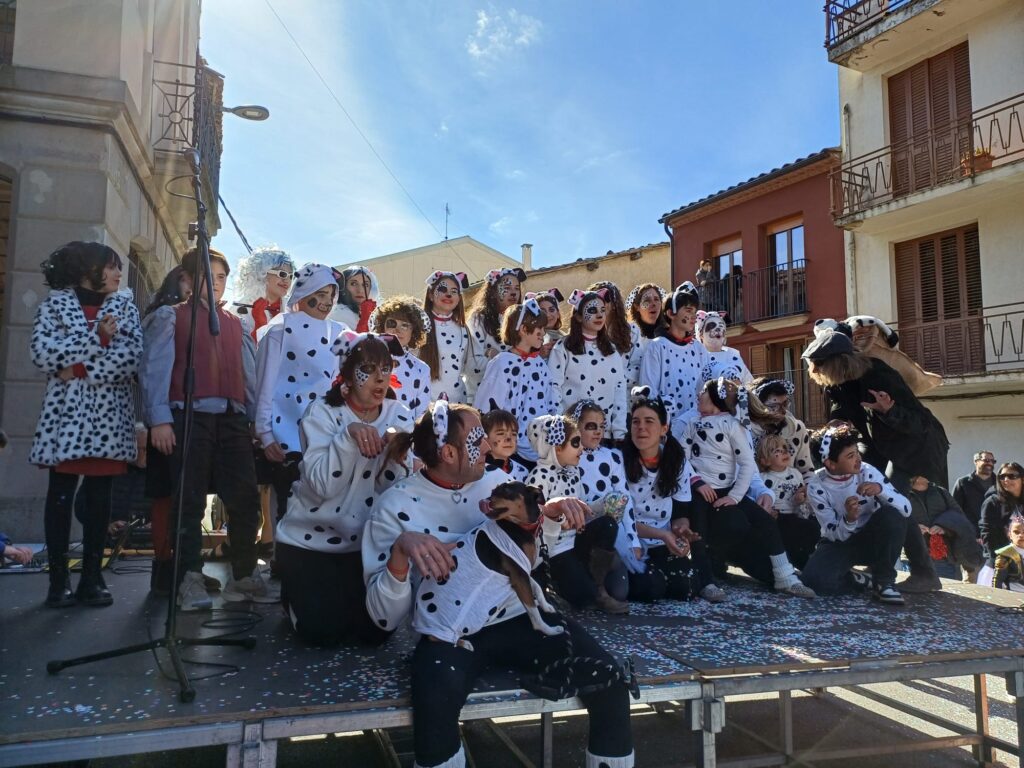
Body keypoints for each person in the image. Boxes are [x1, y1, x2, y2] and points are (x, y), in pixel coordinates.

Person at [363, 402, 634, 768]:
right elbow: (384, 618)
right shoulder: (394, 506)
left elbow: (528, 560)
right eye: (478, 439)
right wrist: (400, 554)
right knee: (434, 705)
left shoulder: (496, 484)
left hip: (518, 619)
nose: (488, 446)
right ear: (448, 452)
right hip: (450, 635)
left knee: (610, 680)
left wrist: (547, 518)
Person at [141, 247, 272, 611]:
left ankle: (244, 573)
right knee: (189, 499)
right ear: (187, 279)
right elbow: (155, 368)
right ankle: (188, 578)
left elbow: (248, 374)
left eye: (221, 277)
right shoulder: (172, 317)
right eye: (207, 276)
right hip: (189, 416)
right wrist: (159, 419)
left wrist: (253, 419)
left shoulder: (235, 323)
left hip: (231, 419)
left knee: (244, 498)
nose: (215, 283)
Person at [275, 331, 414, 646]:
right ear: (348, 375)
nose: (380, 378)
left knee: (375, 632)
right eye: (368, 369)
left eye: (386, 368)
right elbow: (323, 486)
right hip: (310, 541)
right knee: (321, 633)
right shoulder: (322, 413)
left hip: (365, 543)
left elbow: (397, 491)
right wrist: (348, 437)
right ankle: (292, 593)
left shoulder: (399, 414)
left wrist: (397, 454)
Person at [30, 242, 143, 608]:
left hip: (109, 419)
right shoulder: (54, 305)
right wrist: (98, 339)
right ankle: (57, 581)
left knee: (100, 499)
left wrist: (76, 368)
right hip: (65, 419)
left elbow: (130, 358)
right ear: (85, 271)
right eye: (110, 266)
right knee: (59, 496)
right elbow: (43, 354)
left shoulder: (125, 307)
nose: (118, 273)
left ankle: (92, 578)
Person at [803, 323, 948, 593]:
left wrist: (888, 411)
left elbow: (917, 422)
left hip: (914, 447)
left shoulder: (877, 375)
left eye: (819, 365)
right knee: (883, 499)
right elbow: (840, 409)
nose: (815, 372)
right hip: (880, 446)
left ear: (837, 362)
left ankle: (918, 572)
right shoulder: (837, 382)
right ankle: (888, 563)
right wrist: (835, 424)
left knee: (894, 502)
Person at [683, 378, 814, 597]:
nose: (699, 395)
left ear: (716, 398)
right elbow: (682, 458)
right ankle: (705, 580)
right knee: (699, 533)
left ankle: (785, 577)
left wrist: (737, 496)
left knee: (765, 522)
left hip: (728, 490)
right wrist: (696, 481)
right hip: (700, 492)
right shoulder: (690, 423)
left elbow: (746, 464)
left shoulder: (734, 426)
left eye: (704, 391)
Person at [254, 263, 346, 521]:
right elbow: (265, 384)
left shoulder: (339, 333)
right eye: (321, 293)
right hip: (284, 436)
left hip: (325, 435)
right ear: (305, 292)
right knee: (286, 507)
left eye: (331, 295)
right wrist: (265, 434)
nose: (327, 301)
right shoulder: (279, 331)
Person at [620, 391, 722, 603]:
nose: (641, 427)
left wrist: (681, 531)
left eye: (649, 421)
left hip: (661, 541)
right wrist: (663, 535)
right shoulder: (618, 460)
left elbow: (680, 512)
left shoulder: (676, 461)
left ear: (664, 428)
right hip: (630, 541)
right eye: (636, 422)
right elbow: (619, 518)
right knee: (651, 588)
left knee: (686, 587)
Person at [525, 414, 628, 614]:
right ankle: (555, 588)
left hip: (574, 542)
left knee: (607, 524)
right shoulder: (538, 477)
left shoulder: (573, 473)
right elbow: (532, 520)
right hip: (554, 550)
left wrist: (603, 506)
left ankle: (598, 587)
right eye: (575, 443)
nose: (581, 448)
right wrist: (559, 521)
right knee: (584, 598)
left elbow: (581, 508)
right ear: (557, 447)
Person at [802, 424, 911, 604]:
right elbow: (831, 531)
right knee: (814, 582)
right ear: (830, 463)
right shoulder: (816, 485)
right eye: (850, 456)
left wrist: (881, 490)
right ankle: (857, 580)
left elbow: (906, 509)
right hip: (840, 542)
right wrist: (849, 519)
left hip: (873, 539)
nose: (858, 459)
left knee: (892, 514)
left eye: (857, 452)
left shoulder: (867, 471)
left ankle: (884, 582)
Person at [473, 299, 555, 464]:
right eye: (539, 328)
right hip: (508, 450)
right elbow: (487, 405)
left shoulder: (540, 364)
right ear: (524, 329)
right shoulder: (502, 363)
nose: (543, 333)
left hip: (540, 450)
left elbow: (549, 401)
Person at [548, 288, 629, 442]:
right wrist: (560, 427)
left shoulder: (612, 351)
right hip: (572, 435)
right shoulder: (563, 348)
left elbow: (619, 392)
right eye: (592, 310)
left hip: (604, 436)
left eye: (602, 310)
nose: (599, 315)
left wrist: (619, 432)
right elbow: (553, 388)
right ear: (578, 317)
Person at [639, 282, 711, 421]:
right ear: (671, 313)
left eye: (695, 312)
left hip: (696, 425)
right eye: (688, 310)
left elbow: (707, 386)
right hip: (667, 426)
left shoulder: (699, 349)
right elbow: (648, 390)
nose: (694, 316)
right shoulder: (656, 347)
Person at [755, 434, 818, 570]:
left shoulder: (796, 474)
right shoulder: (762, 478)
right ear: (765, 461)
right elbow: (758, 500)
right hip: (778, 517)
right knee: (797, 531)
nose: (783, 451)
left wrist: (801, 499)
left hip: (796, 514)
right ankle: (798, 560)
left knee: (813, 527)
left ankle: (807, 557)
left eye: (784, 448)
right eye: (776, 451)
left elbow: (802, 497)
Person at [906, 475, 984, 580]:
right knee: (916, 589)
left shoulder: (941, 492)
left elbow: (960, 518)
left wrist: (944, 527)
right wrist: (912, 528)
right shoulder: (900, 494)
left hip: (944, 557)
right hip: (912, 557)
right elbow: (893, 521)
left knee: (947, 589)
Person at [368, 295, 433, 420]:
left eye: (404, 325)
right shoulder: (366, 360)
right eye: (392, 323)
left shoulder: (421, 369)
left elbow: (422, 414)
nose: (397, 330)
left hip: (405, 430)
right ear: (382, 326)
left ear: (413, 331)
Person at [466, 267, 526, 400]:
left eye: (517, 288)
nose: (513, 293)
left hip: (514, 398)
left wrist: (497, 357)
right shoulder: (478, 318)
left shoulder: (523, 320)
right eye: (507, 288)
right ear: (493, 291)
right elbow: (472, 365)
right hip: (482, 396)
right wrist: (503, 361)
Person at [416, 270, 470, 403]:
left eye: (454, 291)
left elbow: (468, 366)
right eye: (442, 289)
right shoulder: (417, 326)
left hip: (457, 402)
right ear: (430, 295)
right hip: (425, 402)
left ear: (459, 298)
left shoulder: (463, 329)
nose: (448, 294)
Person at [749, 378, 816, 479]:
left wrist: (805, 488)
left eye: (785, 404)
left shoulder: (796, 429)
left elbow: (807, 471)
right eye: (774, 406)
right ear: (758, 406)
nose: (783, 411)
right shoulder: (746, 431)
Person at [229, 246, 295, 340]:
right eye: (282, 274)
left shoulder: (294, 308)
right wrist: (259, 325)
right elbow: (236, 345)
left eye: (291, 276)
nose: (287, 280)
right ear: (262, 273)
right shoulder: (240, 310)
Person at [978, 462, 1024, 584]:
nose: (1006, 480)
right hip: (1000, 566)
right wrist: (1001, 560)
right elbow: (987, 533)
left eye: (1012, 476)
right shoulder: (992, 502)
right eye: (1002, 476)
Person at [624, 283, 666, 388]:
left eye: (656, 299)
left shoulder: (667, 336)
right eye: (647, 300)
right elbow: (618, 374)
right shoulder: (629, 334)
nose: (653, 304)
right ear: (637, 307)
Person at [695, 310, 752, 385]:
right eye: (712, 326)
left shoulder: (734, 355)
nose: (718, 329)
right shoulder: (696, 358)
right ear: (701, 335)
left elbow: (749, 383)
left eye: (721, 326)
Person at [952, 450, 997, 539]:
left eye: (993, 461)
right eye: (986, 460)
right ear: (976, 461)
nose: (990, 463)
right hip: (972, 534)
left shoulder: (999, 482)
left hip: (995, 533)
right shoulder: (963, 483)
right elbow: (955, 508)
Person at [482, 409, 530, 481]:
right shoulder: (477, 471)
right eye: (501, 433)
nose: (508, 439)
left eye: (514, 434)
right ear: (485, 438)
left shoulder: (522, 473)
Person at [330, 265, 379, 332]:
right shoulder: (336, 315)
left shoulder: (378, 313)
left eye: (365, 285)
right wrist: (365, 319)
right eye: (353, 284)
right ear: (344, 286)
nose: (360, 290)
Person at [528, 288, 565, 356]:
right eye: (542, 311)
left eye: (551, 310)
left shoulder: (565, 337)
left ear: (558, 314)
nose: (547, 315)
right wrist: (538, 354)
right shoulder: (529, 338)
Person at [992, 512, 1024, 591]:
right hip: (1014, 594)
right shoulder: (1005, 555)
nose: (1021, 535)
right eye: (1016, 532)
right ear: (1009, 534)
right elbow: (997, 582)